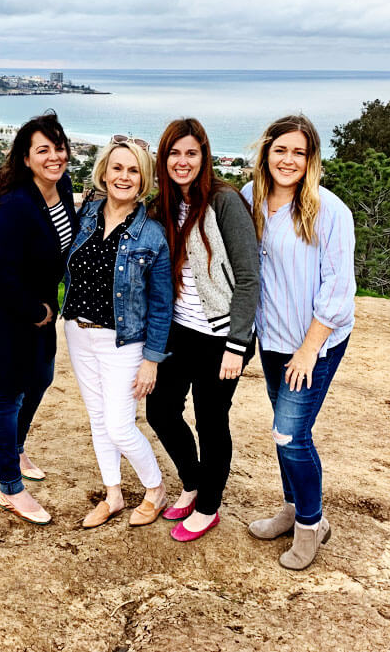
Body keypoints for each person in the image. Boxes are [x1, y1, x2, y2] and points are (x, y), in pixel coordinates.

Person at [241, 114, 356, 570]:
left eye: (299, 153)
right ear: (266, 153)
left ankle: (312, 524)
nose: (288, 160)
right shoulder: (250, 199)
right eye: (280, 150)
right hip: (272, 337)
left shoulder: (330, 211)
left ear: (311, 161)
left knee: (290, 434)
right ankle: (291, 509)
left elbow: (337, 292)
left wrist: (308, 350)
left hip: (315, 343)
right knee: (281, 429)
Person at [0, 111, 77, 525]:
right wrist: (38, 311)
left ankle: (16, 446)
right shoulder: (11, 204)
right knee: (8, 390)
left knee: (41, 376)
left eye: (59, 148)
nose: (54, 156)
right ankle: (9, 485)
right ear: (26, 158)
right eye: (43, 150)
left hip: (36, 303)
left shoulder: (63, 186)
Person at [145, 118, 260, 542]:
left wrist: (237, 344)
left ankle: (209, 505)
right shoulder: (161, 206)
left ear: (203, 157)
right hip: (179, 330)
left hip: (221, 335)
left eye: (191, 153)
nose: (182, 161)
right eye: (174, 153)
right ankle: (192, 483)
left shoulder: (224, 202)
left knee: (211, 422)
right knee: (160, 411)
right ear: (164, 159)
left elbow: (249, 276)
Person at [63, 136, 173, 528]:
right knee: (97, 419)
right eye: (117, 168)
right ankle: (113, 495)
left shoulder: (152, 234)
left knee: (120, 425)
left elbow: (162, 305)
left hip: (124, 342)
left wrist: (152, 361)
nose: (123, 177)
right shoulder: (85, 215)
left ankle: (155, 489)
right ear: (104, 172)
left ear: (143, 180)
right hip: (77, 331)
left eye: (133, 171)